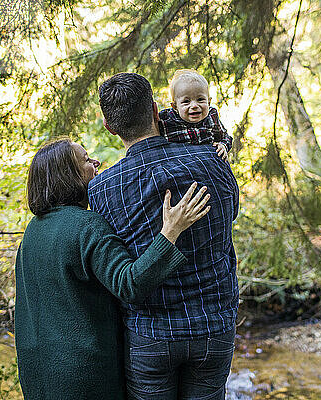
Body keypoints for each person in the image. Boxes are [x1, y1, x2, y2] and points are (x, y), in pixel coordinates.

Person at [14, 138, 211, 400]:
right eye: (85, 159)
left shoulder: (32, 230)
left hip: (38, 375)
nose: (95, 162)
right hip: (86, 378)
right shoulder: (86, 226)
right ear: (66, 175)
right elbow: (129, 284)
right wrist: (170, 231)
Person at [89, 72, 240, 400]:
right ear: (158, 110)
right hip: (214, 324)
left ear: (109, 127)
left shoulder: (102, 189)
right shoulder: (213, 161)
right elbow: (229, 217)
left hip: (151, 334)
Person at [158, 69, 232, 161]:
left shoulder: (211, 116)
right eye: (186, 101)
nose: (194, 106)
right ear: (175, 106)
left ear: (209, 102)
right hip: (179, 165)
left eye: (200, 99)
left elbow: (226, 137)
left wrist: (223, 145)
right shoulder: (165, 119)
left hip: (208, 163)